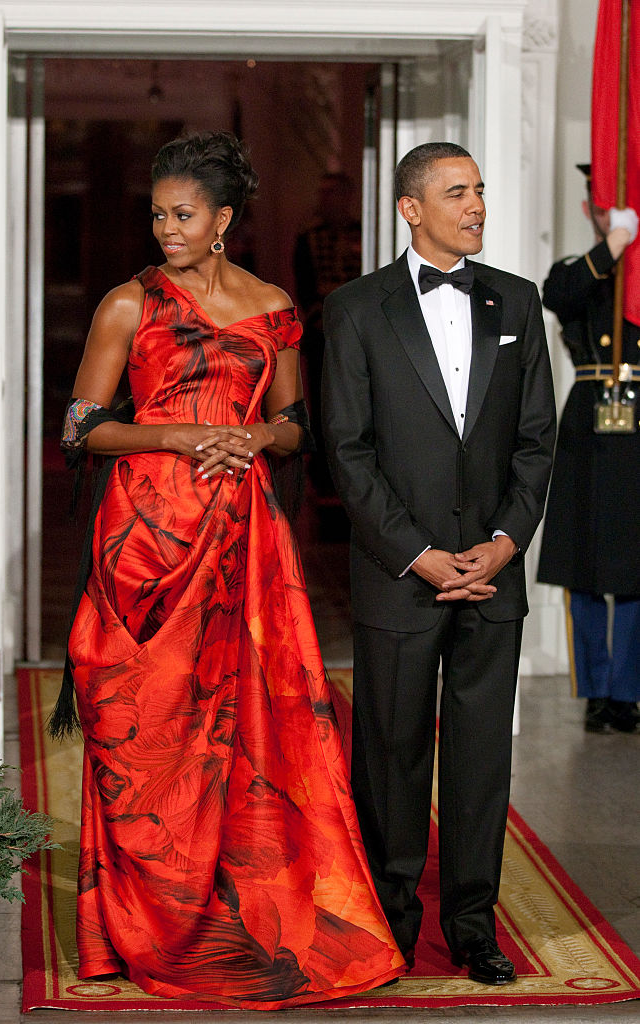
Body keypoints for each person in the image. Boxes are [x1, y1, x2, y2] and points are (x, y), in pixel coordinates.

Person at [53, 131, 405, 1009]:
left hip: (243, 538)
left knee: (245, 733)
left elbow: (297, 429)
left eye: (181, 215)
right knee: (145, 734)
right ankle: (144, 926)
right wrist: (171, 431)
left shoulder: (276, 307)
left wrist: (253, 436)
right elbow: (80, 427)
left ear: (223, 220)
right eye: (157, 214)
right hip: (144, 539)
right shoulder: (127, 305)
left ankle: (242, 913)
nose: (165, 228)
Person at [322, 142, 556, 986]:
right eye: (457, 193)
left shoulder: (519, 303)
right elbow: (346, 454)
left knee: (479, 759)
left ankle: (470, 927)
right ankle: (389, 924)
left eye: (481, 191)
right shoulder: (354, 309)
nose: (478, 206)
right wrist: (420, 556)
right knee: (389, 755)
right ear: (410, 209)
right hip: (398, 576)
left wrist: (503, 541)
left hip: (492, 574)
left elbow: (536, 444)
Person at [537, 164, 640, 735]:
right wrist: (614, 245)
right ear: (591, 211)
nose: (610, 214)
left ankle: (626, 692)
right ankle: (596, 692)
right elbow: (561, 294)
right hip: (589, 420)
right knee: (583, 562)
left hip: (638, 420)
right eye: (603, 207)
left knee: (633, 572)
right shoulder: (576, 270)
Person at [294, 172, 362, 499]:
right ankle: (323, 472)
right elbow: (305, 286)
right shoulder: (309, 237)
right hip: (322, 331)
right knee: (322, 401)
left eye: (335, 195)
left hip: (357, 331)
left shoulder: (362, 234)